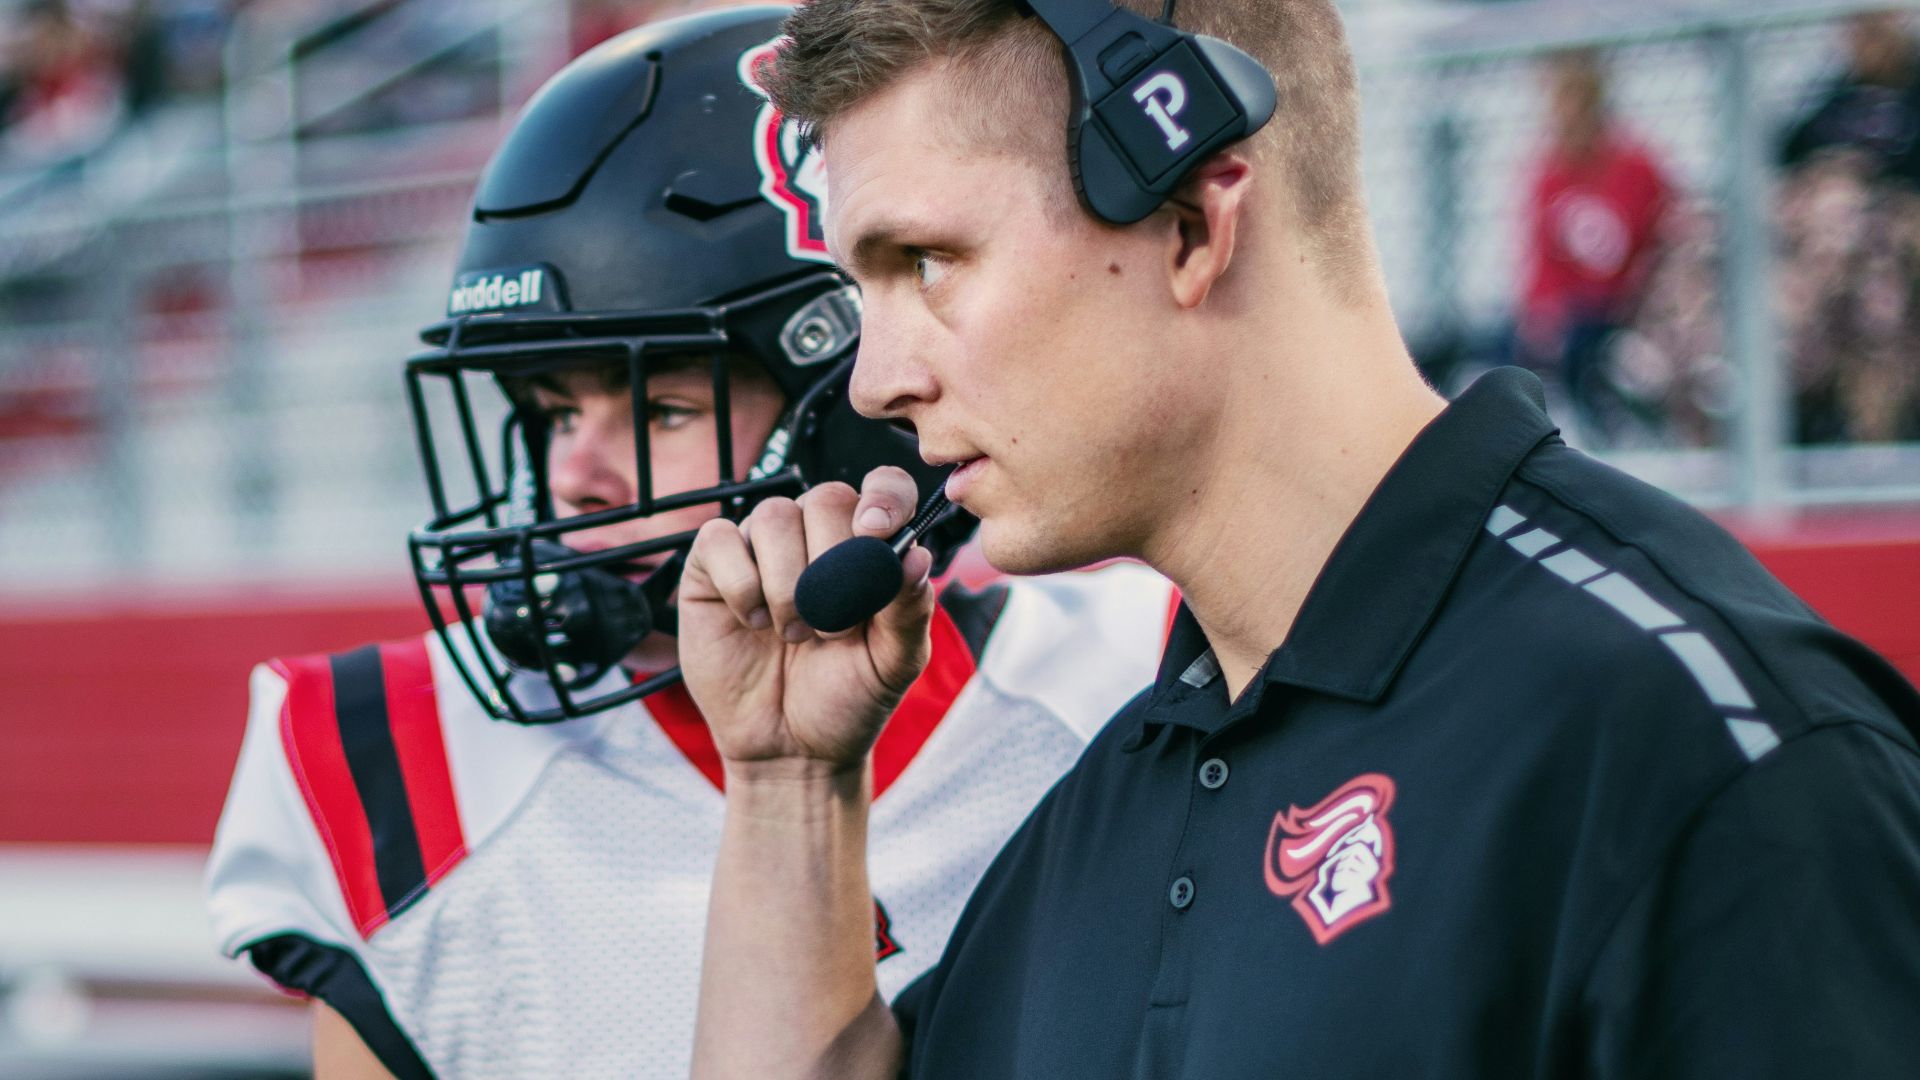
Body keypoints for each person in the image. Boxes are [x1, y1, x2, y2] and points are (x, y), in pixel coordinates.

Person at [680, 1, 1920, 1077]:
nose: (874, 384)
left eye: (930, 263)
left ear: (1189, 226)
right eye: (865, 293)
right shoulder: (1138, 782)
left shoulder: (1692, 747)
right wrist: (792, 787)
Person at [203, 9, 1175, 1078]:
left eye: (658, 409)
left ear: (847, 416)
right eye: (553, 410)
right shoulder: (398, 750)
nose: (574, 471)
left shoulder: (1125, 680)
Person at [1516, 49, 1673, 443]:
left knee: (1584, 346)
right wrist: (1542, 313)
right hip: (1573, 312)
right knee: (1494, 346)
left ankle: (1604, 435)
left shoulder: (1636, 165)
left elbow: (1658, 242)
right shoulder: (1548, 174)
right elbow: (1542, 260)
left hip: (1623, 307)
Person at [1782, 9, 1920, 189]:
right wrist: (1830, 160)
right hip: (1844, 193)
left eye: (1872, 37)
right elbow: (1795, 148)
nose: (1861, 47)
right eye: (1856, 36)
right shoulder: (1843, 93)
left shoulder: (1912, 93)